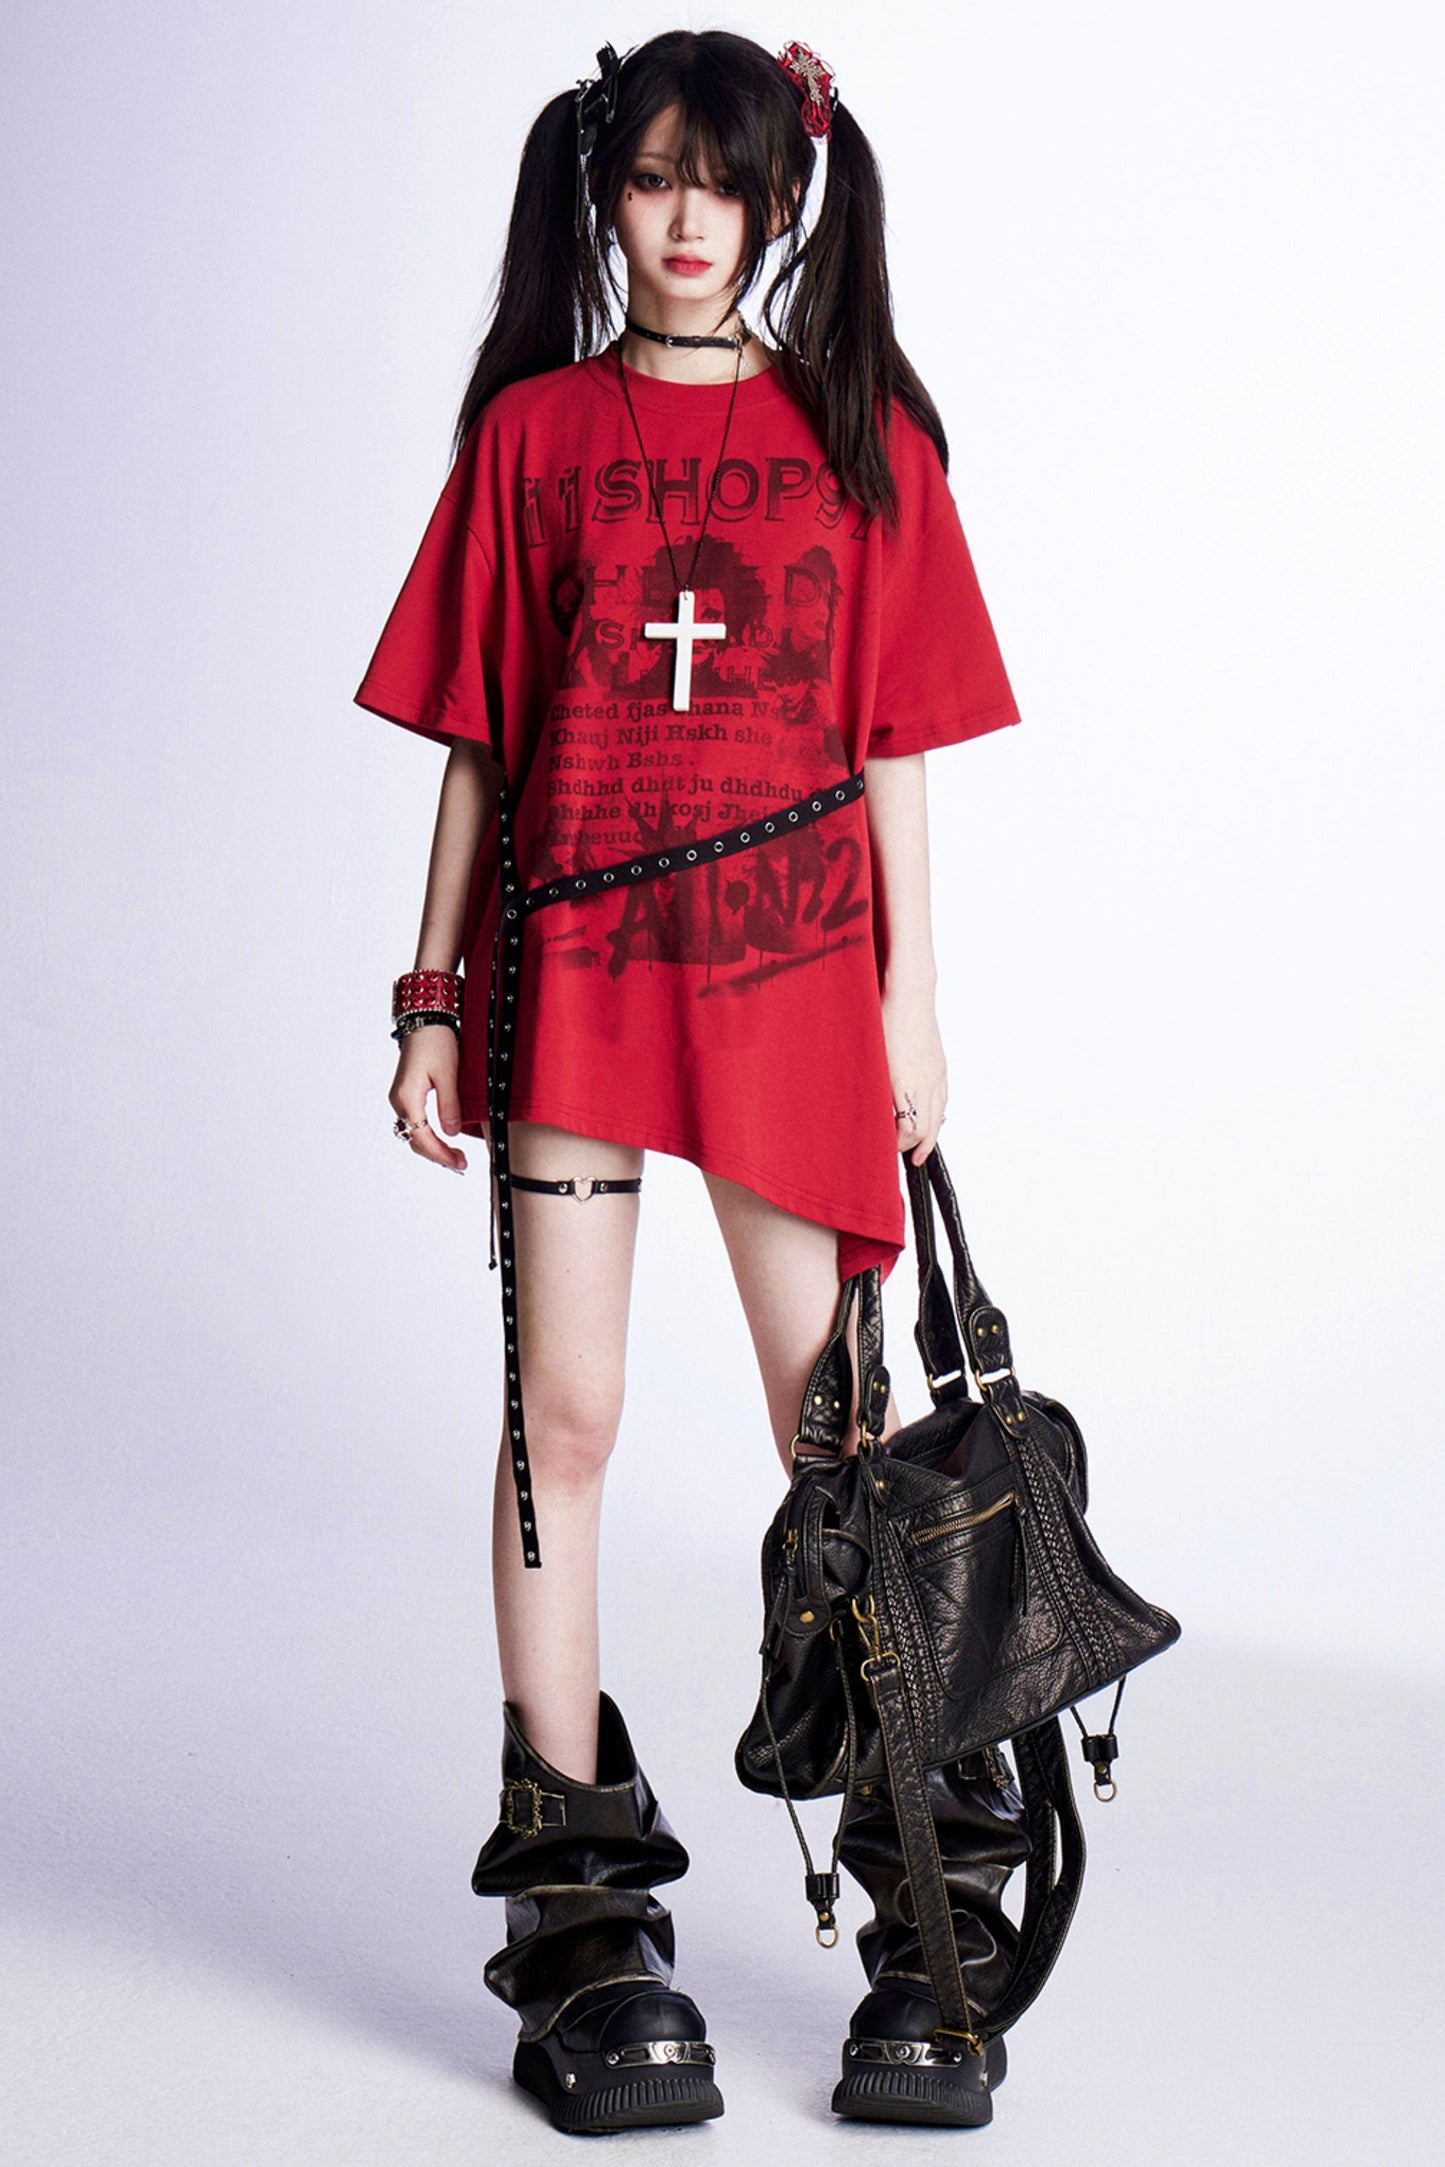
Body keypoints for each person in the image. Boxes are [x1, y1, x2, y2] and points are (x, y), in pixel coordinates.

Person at [354, 29, 1026, 2136]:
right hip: (576, 966)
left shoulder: (860, 431)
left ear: (780, 201)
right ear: (604, 192)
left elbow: (893, 733)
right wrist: (432, 993)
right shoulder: (536, 434)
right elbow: (485, 736)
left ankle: (936, 1903)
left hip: (791, 970)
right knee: (560, 1417)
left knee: (844, 1441)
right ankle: (576, 1909)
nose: (685, 222)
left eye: (721, 185)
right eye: (651, 178)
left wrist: (914, 999)